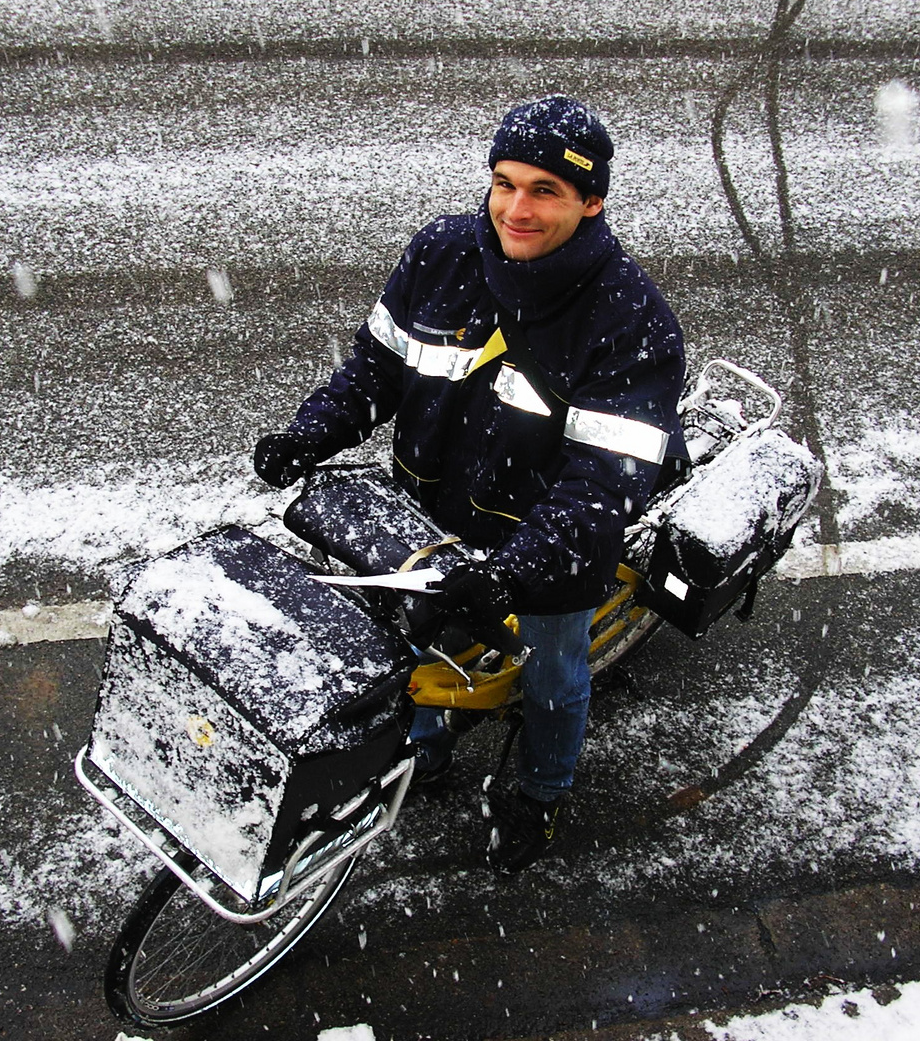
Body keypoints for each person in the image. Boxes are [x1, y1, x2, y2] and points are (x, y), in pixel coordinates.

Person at [254, 95, 687, 874]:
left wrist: (512, 573)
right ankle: (426, 749)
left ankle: (539, 796)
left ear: (592, 203)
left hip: (547, 548)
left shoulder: (628, 317)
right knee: (408, 640)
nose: (515, 208)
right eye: (504, 182)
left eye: (545, 190)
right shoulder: (443, 253)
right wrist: (310, 432)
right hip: (429, 511)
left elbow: (599, 484)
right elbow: (375, 368)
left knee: (552, 679)